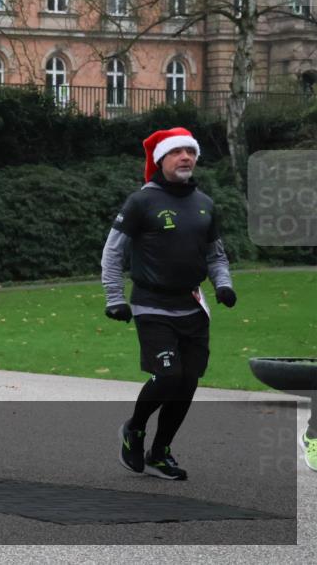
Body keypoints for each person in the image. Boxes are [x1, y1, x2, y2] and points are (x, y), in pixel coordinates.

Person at [101, 127, 236, 481]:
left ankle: (160, 452)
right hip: (151, 304)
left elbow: (215, 255)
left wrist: (223, 285)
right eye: (177, 152)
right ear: (161, 159)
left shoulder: (205, 204)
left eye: (190, 152)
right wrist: (114, 298)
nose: (186, 158)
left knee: (188, 381)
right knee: (167, 376)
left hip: (192, 306)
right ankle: (135, 428)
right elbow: (112, 253)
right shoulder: (140, 202)